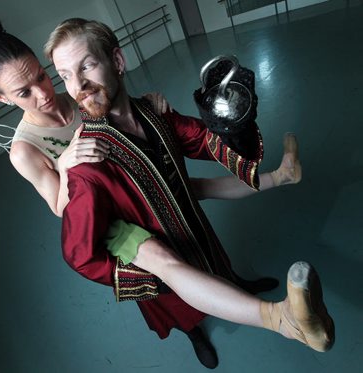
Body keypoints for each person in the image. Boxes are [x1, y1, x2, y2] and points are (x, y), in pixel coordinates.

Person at [0, 12, 303, 368]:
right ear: (0, 97)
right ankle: (194, 331)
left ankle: (240, 268)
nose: (43, 93)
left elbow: (114, 104)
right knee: (168, 274)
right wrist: (65, 162)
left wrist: (149, 104)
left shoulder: (75, 92)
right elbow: (61, 208)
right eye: (24, 92)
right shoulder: (24, 151)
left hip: (139, 180)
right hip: (111, 215)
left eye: (43, 76)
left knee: (197, 213)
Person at [44, 17, 334, 362]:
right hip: (161, 259)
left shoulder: (153, 111)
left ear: (117, 62)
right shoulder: (87, 163)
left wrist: (230, 122)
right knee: (183, 310)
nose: (78, 85)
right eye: (65, 75)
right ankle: (195, 334)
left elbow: (203, 140)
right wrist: (142, 270)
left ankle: (237, 284)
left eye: (87, 65)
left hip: (193, 225)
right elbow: (79, 254)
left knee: (217, 264)